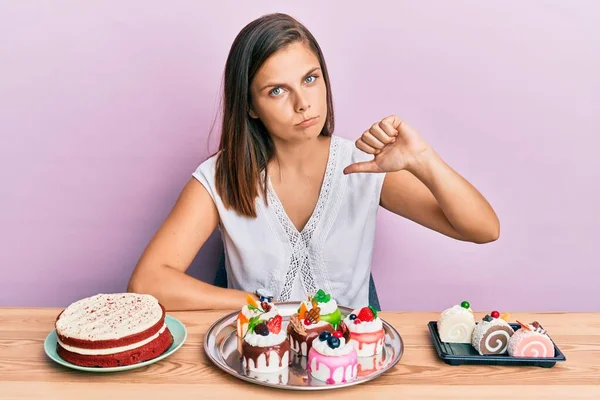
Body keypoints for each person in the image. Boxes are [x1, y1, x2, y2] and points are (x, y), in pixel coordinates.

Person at [127, 13, 500, 311]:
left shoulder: (365, 166)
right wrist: (258, 304)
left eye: (310, 79)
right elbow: (147, 283)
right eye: (277, 91)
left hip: (351, 365)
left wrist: (423, 161)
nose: (302, 103)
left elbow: (483, 229)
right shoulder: (221, 178)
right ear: (250, 108)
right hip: (260, 362)